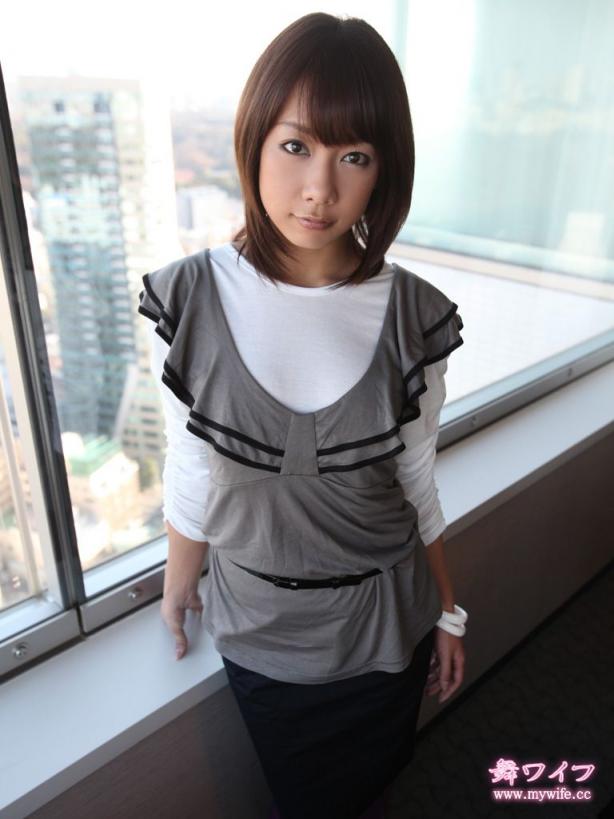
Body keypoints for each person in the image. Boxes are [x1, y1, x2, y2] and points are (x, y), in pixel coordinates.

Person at [138, 12, 468, 819]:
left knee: (376, 787)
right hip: (261, 633)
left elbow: (416, 479)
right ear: (254, 141)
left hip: (387, 627)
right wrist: (178, 583)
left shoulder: (414, 316)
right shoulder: (189, 297)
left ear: (384, 169)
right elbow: (192, 465)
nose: (320, 188)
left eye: (354, 156)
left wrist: (449, 610)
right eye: (295, 146)